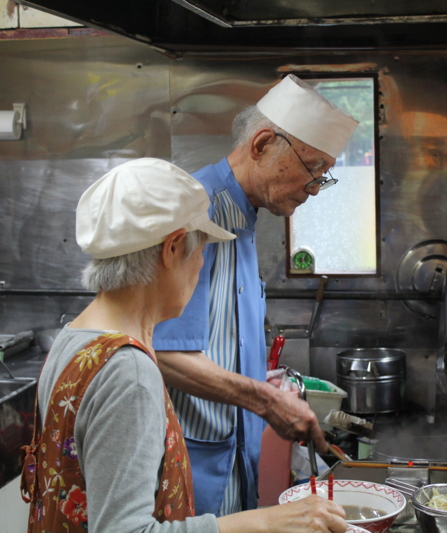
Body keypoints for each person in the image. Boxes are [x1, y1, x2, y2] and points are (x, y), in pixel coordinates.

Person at [21, 158, 347, 533]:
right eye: (202, 249)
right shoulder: (129, 372)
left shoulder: (73, 340)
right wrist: (269, 520)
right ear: (173, 248)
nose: (201, 263)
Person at [153, 75, 359, 515]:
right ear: (263, 144)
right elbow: (162, 353)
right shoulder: (195, 211)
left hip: (233, 459)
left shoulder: (245, 216)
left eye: (325, 175)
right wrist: (266, 401)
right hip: (191, 466)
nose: (315, 189)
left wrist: (269, 385)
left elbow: (217, 341)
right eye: (313, 170)